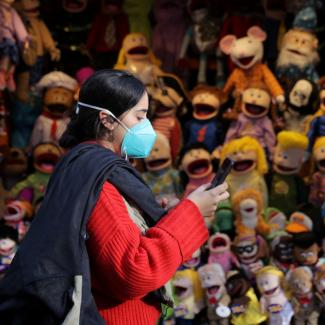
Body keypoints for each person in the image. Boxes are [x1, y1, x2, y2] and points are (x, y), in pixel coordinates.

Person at [0, 70, 229, 325]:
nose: (146, 126)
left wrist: (164, 215)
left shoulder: (84, 167)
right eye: (139, 116)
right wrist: (191, 213)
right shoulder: (97, 179)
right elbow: (133, 271)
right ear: (107, 120)